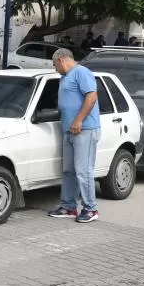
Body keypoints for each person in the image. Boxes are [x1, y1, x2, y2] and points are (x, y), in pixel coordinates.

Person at [48, 48, 100, 224]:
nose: (55, 68)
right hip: (69, 130)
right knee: (69, 170)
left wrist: (78, 120)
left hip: (84, 129)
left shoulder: (81, 72)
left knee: (83, 171)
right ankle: (69, 206)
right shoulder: (64, 77)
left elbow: (91, 96)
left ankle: (90, 208)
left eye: (55, 64)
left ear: (61, 60)